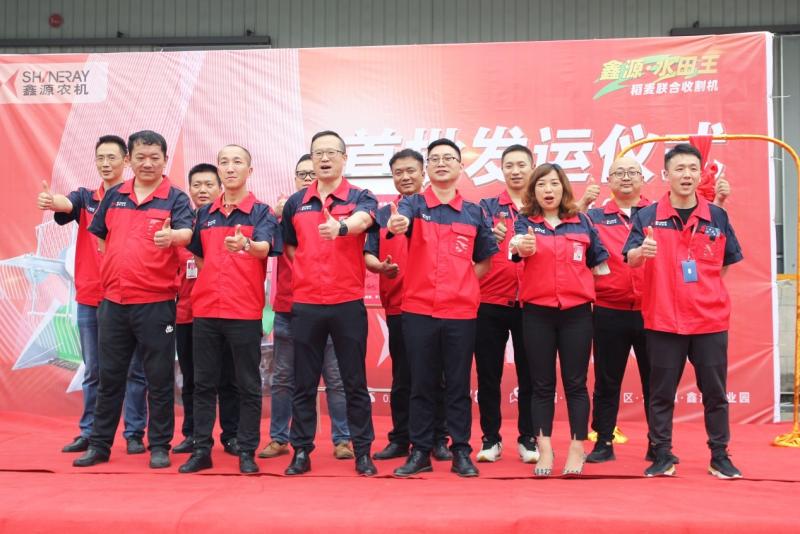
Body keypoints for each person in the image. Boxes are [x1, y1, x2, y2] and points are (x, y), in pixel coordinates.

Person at [74, 130, 194, 469]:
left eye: (155, 157)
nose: (148, 163)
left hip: (156, 303)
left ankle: (159, 445)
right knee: (110, 376)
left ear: (165, 160)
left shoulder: (176, 198)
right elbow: (100, 238)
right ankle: (100, 445)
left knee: (159, 378)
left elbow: (187, 232)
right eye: (141, 157)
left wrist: (173, 237)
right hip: (113, 302)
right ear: (130, 159)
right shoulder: (116, 195)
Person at [623, 143, 743, 479]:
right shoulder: (647, 216)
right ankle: (662, 455)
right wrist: (642, 253)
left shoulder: (717, 216)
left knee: (715, 394)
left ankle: (719, 455)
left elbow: (724, 263)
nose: (686, 175)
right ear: (666, 174)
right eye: (679, 169)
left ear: (700, 174)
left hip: (709, 320)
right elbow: (630, 258)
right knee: (661, 393)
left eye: (692, 169)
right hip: (664, 319)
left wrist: (703, 289)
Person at [387, 138, 498, 478]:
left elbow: (484, 260)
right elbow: (400, 221)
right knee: (421, 383)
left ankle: (460, 450)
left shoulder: (474, 212)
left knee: (458, 385)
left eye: (448, 158)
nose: (441, 163)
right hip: (418, 310)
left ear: (460, 166)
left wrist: (461, 283)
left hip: (460, 313)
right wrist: (397, 225)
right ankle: (420, 451)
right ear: (427, 168)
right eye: (434, 158)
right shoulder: (413, 204)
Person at [38, 135, 148, 456]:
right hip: (91, 296)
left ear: (126, 161)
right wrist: (53, 201)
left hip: (129, 297)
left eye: (112, 157)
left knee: (134, 370)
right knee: (94, 370)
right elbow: (66, 205)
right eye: (100, 158)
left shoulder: (136, 199)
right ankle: (89, 432)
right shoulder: (87, 197)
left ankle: (134, 433)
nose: (105, 163)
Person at [281, 131, 378, 476]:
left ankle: (362, 451)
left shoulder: (361, 196)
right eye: (318, 153)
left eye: (331, 153)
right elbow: (290, 246)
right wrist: (308, 270)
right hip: (306, 303)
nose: (324, 159)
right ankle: (301, 451)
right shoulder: (296, 202)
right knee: (303, 382)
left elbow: (363, 220)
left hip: (346, 302)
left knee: (354, 381)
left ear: (344, 158)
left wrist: (342, 228)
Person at [178, 145, 280, 474]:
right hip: (206, 310)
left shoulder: (261, 212)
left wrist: (246, 245)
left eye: (237, 162)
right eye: (224, 162)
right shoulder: (204, 214)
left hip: (243, 311)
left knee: (247, 384)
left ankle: (246, 450)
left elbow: (264, 248)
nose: (230, 168)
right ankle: (201, 449)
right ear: (218, 170)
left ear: (250, 170)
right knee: (203, 383)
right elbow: (199, 255)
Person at [510, 163, 609, 477]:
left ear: (564, 187)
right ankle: (545, 449)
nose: (548, 190)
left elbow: (599, 263)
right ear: (533, 191)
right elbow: (516, 247)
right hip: (536, 313)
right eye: (541, 185)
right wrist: (521, 246)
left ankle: (578, 448)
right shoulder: (525, 222)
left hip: (576, 314)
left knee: (576, 384)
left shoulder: (582, 222)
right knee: (541, 385)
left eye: (553, 183)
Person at [259, 154, 354, 461]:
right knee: (283, 378)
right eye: (301, 174)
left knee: (335, 378)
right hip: (289, 308)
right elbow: (269, 242)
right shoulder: (288, 213)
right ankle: (279, 438)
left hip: (327, 305)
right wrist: (277, 215)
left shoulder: (340, 214)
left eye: (310, 173)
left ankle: (343, 439)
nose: (307, 178)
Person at [364, 148, 451, 462]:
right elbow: (369, 254)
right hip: (399, 306)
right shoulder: (383, 214)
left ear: (423, 172)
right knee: (402, 376)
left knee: (436, 376)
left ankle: (438, 439)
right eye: (398, 172)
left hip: (434, 306)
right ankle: (401, 438)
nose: (405, 177)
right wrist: (380, 267)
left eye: (411, 170)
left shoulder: (438, 209)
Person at [474, 144, 537, 464]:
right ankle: (491, 438)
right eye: (509, 165)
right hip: (490, 301)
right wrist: (491, 239)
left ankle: (528, 438)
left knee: (532, 375)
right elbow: (472, 249)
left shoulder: (542, 205)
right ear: (501, 169)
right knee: (488, 375)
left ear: (532, 167)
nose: (515, 171)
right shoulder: (486, 207)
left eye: (521, 165)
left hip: (532, 303)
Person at [172, 163, 240, 456]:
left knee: (228, 378)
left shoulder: (228, 223)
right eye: (196, 185)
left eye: (209, 185)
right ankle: (193, 434)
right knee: (193, 380)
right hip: (187, 314)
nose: (202, 190)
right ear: (189, 189)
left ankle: (232, 435)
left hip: (224, 312)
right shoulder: (179, 226)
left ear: (220, 188)